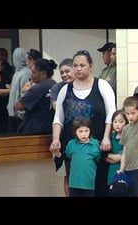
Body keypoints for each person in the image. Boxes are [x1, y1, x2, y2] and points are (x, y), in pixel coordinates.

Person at [49, 50, 116, 197]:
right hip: (73, 147)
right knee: (74, 183)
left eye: (82, 65)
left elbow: (111, 113)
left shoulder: (102, 85)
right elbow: (58, 117)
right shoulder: (65, 89)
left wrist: (106, 137)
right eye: (75, 65)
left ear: (90, 66)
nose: (78, 68)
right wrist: (55, 139)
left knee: (99, 184)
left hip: (97, 146)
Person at [50, 58, 75, 197]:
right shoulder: (57, 88)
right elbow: (58, 110)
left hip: (83, 137)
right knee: (67, 173)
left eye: (67, 71)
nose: (64, 75)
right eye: (62, 72)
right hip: (62, 135)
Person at [15, 58, 57, 134]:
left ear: (43, 74)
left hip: (34, 128)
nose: (31, 74)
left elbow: (19, 106)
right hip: (49, 127)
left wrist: (25, 91)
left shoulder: (38, 88)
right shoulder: (54, 84)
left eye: (34, 72)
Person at [65, 116, 101, 197]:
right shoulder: (71, 144)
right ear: (75, 132)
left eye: (86, 131)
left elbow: (99, 158)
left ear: (90, 131)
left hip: (89, 183)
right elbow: (68, 155)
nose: (84, 134)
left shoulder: (95, 144)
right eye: (80, 131)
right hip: (74, 184)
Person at [7, 47, 32, 133]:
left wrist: (20, 113)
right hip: (14, 114)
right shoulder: (17, 73)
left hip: (20, 115)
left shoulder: (26, 73)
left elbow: (25, 94)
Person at [106, 109, 129, 186]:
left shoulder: (127, 137)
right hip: (112, 168)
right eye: (115, 122)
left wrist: (120, 157)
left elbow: (126, 155)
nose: (117, 124)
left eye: (120, 121)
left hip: (124, 169)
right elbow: (106, 155)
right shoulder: (110, 137)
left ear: (126, 123)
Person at [0, 55, 11, 134]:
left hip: (4, 112)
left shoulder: (5, 75)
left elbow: (11, 85)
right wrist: (10, 90)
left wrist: (5, 91)